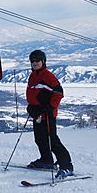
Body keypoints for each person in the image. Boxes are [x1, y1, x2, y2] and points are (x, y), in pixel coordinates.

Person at [26, 49, 74, 179]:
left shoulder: (47, 75)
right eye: (32, 61)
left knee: (52, 140)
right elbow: (34, 93)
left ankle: (67, 167)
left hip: (47, 114)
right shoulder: (33, 75)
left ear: (43, 61)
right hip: (37, 113)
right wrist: (31, 106)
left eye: (37, 60)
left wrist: (50, 106)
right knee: (40, 139)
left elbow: (59, 91)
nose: (34, 63)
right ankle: (46, 161)